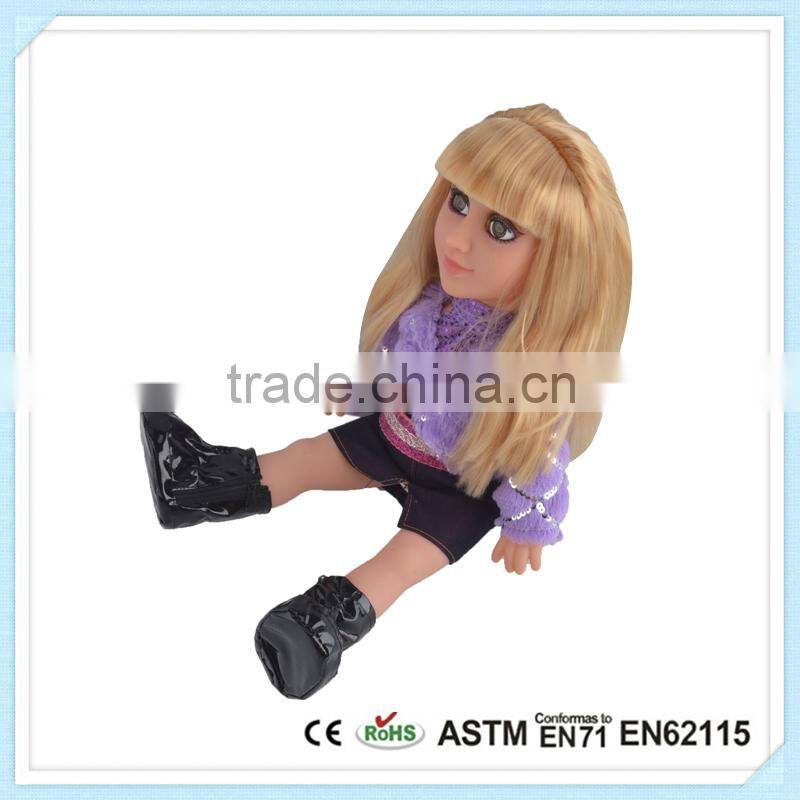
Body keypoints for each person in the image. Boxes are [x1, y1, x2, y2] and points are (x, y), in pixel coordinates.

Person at [139, 103, 632, 700]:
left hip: (462, 489)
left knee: (396, 564)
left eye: (501, 229)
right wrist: (366, 393)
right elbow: (409, 376)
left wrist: (528, 523)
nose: (458, 238)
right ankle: (194, 484)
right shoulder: (435, 305)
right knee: (303, 457)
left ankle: (317, 633)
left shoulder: (530, 363)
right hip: (394, 435)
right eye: (458, 202)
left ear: (561, 262)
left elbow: (540, 454)